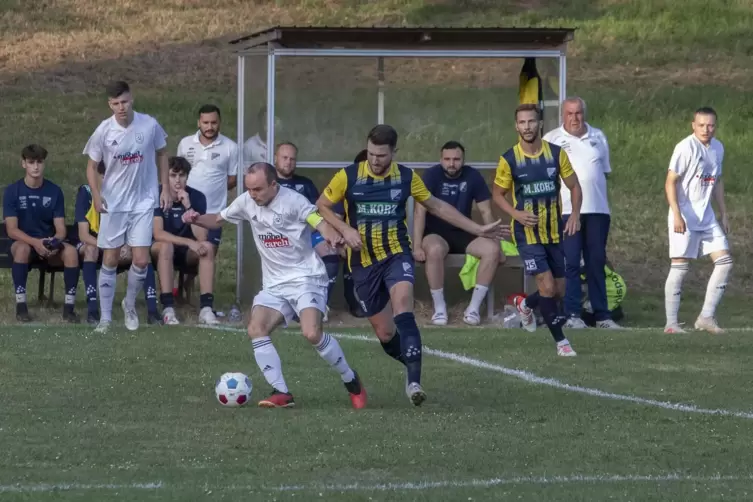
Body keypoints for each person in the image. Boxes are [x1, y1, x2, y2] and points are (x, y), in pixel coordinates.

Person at [316, 125, 508, 406]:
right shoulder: (348, 176)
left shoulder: (407, 177)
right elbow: (320, 205)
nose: (374, 160)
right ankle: (411, 358)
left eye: (381, 155)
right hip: (363, 263)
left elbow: (438, 207)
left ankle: (414, 382)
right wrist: (345, 229)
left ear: (394, 152)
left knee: (403, 302)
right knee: (384, 333)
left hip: (396, 254)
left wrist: (477, 229)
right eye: (370, 154)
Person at [182, 162, 367, 409]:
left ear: (273, 184)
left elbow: (317, 220)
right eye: (249, 189)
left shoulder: (294, 201)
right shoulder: (246, 201)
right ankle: (281, 392)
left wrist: (330, 233)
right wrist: (197, 218)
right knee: (256, 328)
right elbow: (217, 219)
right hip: (274, 284)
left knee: (312, 333)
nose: (252, 194)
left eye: (258, 189)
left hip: (305, 279)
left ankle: (351, 379)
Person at [492, 104, 582, 357]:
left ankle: (525, 304)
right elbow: (497, 194)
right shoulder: (509, 159)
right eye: (522, 122)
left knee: (558, 290)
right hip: (527, 234)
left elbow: (575, 186)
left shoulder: (556, 154)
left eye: (531, 122)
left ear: (539, 124)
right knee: (547, 286)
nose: (527, 127)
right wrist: (516, 214)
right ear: (516, 126)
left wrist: (575, 214)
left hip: (554, 232)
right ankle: (562, 342)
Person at [82, 80, 172, 333]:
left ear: (131, 99)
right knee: (109, 259)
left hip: (143, 202)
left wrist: (165, 187)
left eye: (124, 102)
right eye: (115, 104)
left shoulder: (149, 124)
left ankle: (129, 304)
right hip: (114, 203)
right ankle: (106, 319)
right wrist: (97, 196)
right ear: (109, 105)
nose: (121, 107)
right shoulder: (103, 131)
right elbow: (91, 166)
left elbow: (162, 153)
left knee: (141, 260)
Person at [543, 97, 621, 329]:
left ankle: (602, 316)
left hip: (597, 211)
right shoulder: (552, 139)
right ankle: (573, 314)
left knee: (596, 262)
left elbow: (603, 172)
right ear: (562, 116)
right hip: (567, 212)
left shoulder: (598, 136)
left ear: (583, 114)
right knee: (572, 263)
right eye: (569, 113)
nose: (574, 118)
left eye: (578, 113)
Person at [412, 141, 503, 326]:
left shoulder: (473, 176)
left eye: (456, 159)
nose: (451, 163)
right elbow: (419, 211)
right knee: (435, 249)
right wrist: (416, 245)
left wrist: (498, 245)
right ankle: (439, 308)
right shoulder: (431, 175)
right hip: (436, 233)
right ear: (441, 159)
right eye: (447, 159)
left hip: (464, 232)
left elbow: (486, 211)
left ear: (463, 159)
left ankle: (474, 309)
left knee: (491, 250)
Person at [663, 107, 731, 334]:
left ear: (715, 126)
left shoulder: (718, 147)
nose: (706, 129)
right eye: (701, 125)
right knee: (680, 267)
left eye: (710, 125)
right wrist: (677, 214)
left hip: (707, 216)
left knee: (725, 263)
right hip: (685, 215)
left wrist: (723, 213)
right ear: (693, 125)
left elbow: (717, 180)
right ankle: (671, 324)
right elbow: (670, 182)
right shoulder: (685, 147)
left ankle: (706, 317)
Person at [74, 160, 161, 325]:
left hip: (121, 245)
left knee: (142, 256)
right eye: (104, 175)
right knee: (90, 250)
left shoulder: (129, 194)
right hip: (95, 244)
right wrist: (110, 246)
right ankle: (93, 310)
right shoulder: (87, 192)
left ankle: (152, 310)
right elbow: (83, 235)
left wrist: (127, 245)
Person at [3, 144, 80, 323]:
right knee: (22, 249)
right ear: (24, 164)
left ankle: (69, 309)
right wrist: (35, 243)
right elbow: (12, 230)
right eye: (31, 162)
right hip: (23, 243)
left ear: (44, 164)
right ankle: (21, 307)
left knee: (70, 252)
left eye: (39, 162)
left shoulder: (54, 191)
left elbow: (61, 229)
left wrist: (54, 242)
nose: (36, 167)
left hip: (47, 244)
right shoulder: (13, 191)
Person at [273, 141, 340, 320]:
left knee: (331, 254)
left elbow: (317, 213)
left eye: (292, 159)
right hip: (278, 239)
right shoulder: (269, 184)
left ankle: (319, 305)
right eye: (284, 158)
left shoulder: (306, 184)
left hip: (308, 234)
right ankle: (293, 306)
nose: (288, 162)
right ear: (275, 159)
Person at [151, 156, 218, 325]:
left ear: (187, 177)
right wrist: (188, 242)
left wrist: (188, 207)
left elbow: (202, 237)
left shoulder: (197, 197)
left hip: (186, 252)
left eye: (182, 175)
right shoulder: (156, 195)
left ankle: (206, 308)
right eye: (173, 175)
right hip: (159, 250)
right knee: (166, 247)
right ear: (166, 177)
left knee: (208, 247)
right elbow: (158, 233)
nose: (178, 180)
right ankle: (168, 308)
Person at [177, 104, 239, 249]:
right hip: (187, 210)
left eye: (213, 122)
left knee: (208, 254)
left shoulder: (230, 147)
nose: (209, 127)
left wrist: (213, 192)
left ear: (219, 123)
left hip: (214, 214)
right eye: (205, 123)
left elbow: (232, 179)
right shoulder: (185, 144)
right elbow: (177, 174)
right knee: (186, 258)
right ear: (199, 123)